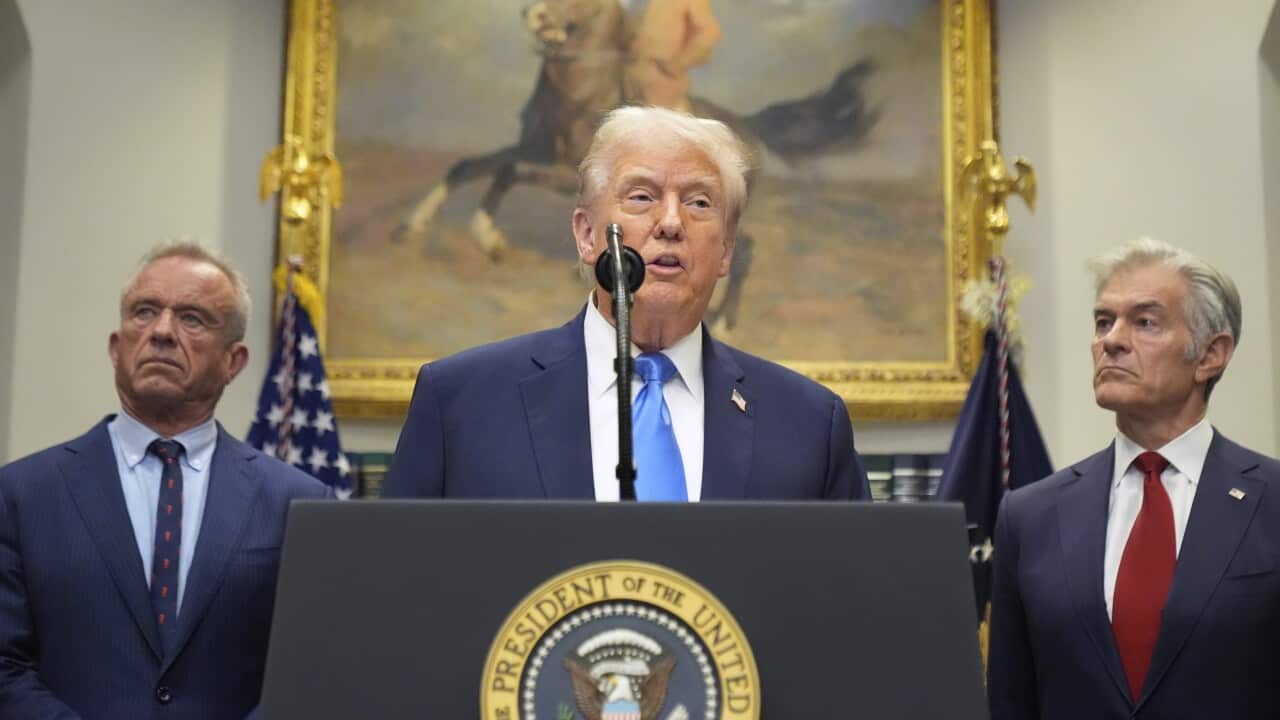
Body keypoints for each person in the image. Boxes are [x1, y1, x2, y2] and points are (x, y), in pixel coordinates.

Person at [384, 106, 869, 501]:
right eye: (642, 196)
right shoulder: (461, 405)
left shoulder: (808, 425)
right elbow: (400, 595)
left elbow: (849, 608)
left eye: (700, 203)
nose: (671, 222)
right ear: (586, 234)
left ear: (726, 251)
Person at [0, 243, 330, 719]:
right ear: (116, 348)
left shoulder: (297, 502)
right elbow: (5, 665)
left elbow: (309, 669)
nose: (161, 332)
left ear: (233, 361)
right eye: (144, 312)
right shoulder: (22, 495)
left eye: (192, 319)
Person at [987, 238, 1280, 719]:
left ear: (1211, 354)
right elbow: (1010, 700)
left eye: (1144, 322)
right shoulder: (1030, 516)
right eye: (1104, 322)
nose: (1111, 340)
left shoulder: (1271, 501)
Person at [623, 0, 723, 112]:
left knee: (659, 121)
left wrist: (675, 67)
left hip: (663, 74)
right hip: (635, 68)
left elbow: (710, 34)